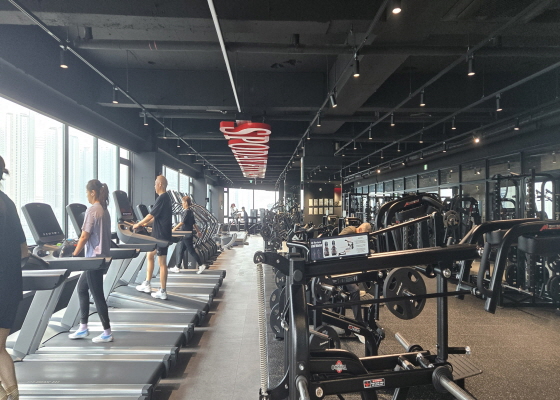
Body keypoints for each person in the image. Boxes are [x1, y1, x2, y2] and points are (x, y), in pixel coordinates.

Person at [68, 179, 113, 343]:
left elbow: (84, 236)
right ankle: (83, 327)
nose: (86, 195)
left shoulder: (92, 210)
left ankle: (107, 332)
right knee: (82, 288)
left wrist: (74, 254)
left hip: (93, 260)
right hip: (100, 258)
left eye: (87, 192)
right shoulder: (104, 210)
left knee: (98, 295)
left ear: (93, 192)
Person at [0, 155, 28, 400]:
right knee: (0, 347)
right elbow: (24, 250)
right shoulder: (7, 202)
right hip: (10, 287)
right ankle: (11, 395)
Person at [133, 176, 172, 300]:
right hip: (159, 233)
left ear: (160, 184)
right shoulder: (166, 198)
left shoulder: (162, 197)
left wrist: (138, 224)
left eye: (155, 184)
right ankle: (147, 283)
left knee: (162, 263)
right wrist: (144, 224)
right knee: (149, 255)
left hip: (160, 235)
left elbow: (150, 215)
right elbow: (156, 218)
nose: (154, 186)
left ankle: (163, 291)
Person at [339, 222, 372, 342]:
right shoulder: (350, 231)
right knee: (355, 290)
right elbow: (337, 244)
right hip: (339, 269)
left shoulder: (355, 234)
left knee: (359, 278)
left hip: (346, 267)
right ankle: (358, 325)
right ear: (361, 230)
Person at [170, 195, 208, 274]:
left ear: (186, 203)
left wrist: (174, 229)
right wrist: (198, 231)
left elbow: (182, 222)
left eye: (183, 202)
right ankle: (177, 267)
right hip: (185, 234)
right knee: (180, 250)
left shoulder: (186, 212)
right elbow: (194, 223)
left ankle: (201, 265)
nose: (182, 204)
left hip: (186, 234)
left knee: (191, 251)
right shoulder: (190, 211)